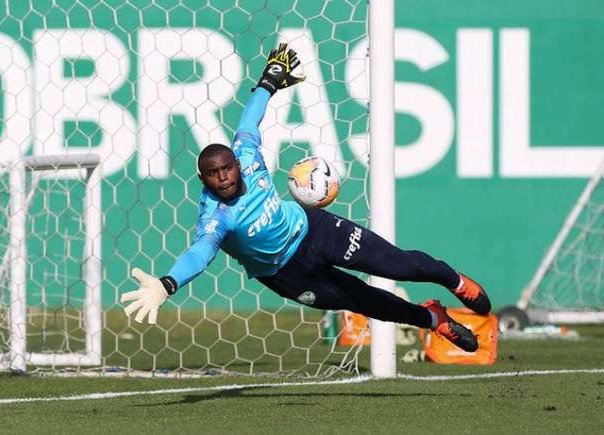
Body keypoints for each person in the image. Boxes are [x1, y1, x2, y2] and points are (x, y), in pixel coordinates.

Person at [121, 43, 490, 352]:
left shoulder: (248, 157)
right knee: (363, 301)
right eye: (214, 175)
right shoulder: (217, 217)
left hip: (314, 231)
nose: (223, 178)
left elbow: (249, 122)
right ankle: (432, 318)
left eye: (227, 168)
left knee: (398, 265)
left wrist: (268, 82)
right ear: (203, 179)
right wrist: (167, 284)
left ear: (236, 163)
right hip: (284, 273)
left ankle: (452, 280)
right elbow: (200, 252)